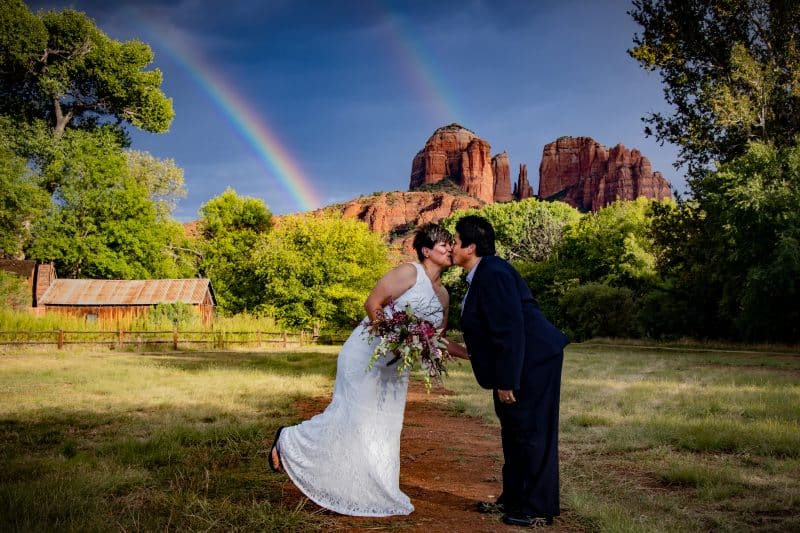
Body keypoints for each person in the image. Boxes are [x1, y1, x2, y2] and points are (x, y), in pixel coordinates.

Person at [268, 223, 467, 517]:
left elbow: (436, 336)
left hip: (395, 369)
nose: (451, 249)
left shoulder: (444, 296)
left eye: (452, 244)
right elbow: (372, 303)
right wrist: (394, 336)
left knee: (382, 428)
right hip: (365, 356)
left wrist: (469, 354)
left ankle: (370, 490)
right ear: (426, 251)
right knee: (351, 418)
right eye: (444, 245)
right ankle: (288, 440)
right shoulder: (408, 273)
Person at [451, 215, 569, 528]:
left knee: (531, 432)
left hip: (533, 362)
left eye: (455, 241)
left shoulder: (492, 273)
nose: (451, 247)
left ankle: (535, 508)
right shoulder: (483, 274)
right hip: (521, 362)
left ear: (470, 246)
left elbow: (509, 329)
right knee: (514, 431)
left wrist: (507, 381)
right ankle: (515, 497)